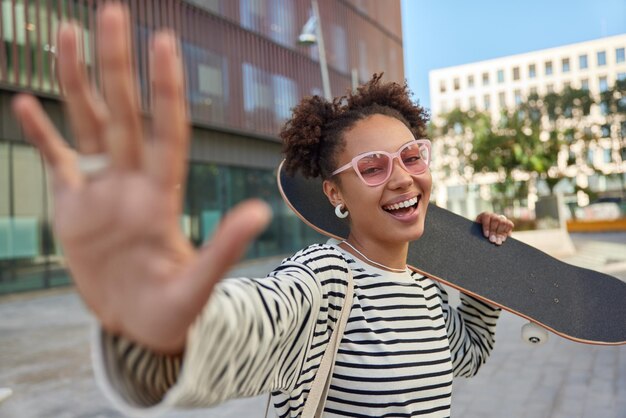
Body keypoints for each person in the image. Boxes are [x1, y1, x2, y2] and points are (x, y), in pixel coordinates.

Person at [12, 3, 514, 417]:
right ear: (336, 194)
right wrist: (165, 333)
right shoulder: (325, 281)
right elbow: (254, 326)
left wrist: (488, 276)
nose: (403, 177)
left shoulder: (426, 289)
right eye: (373, 167)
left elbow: (466, 357)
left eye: (411, 157)